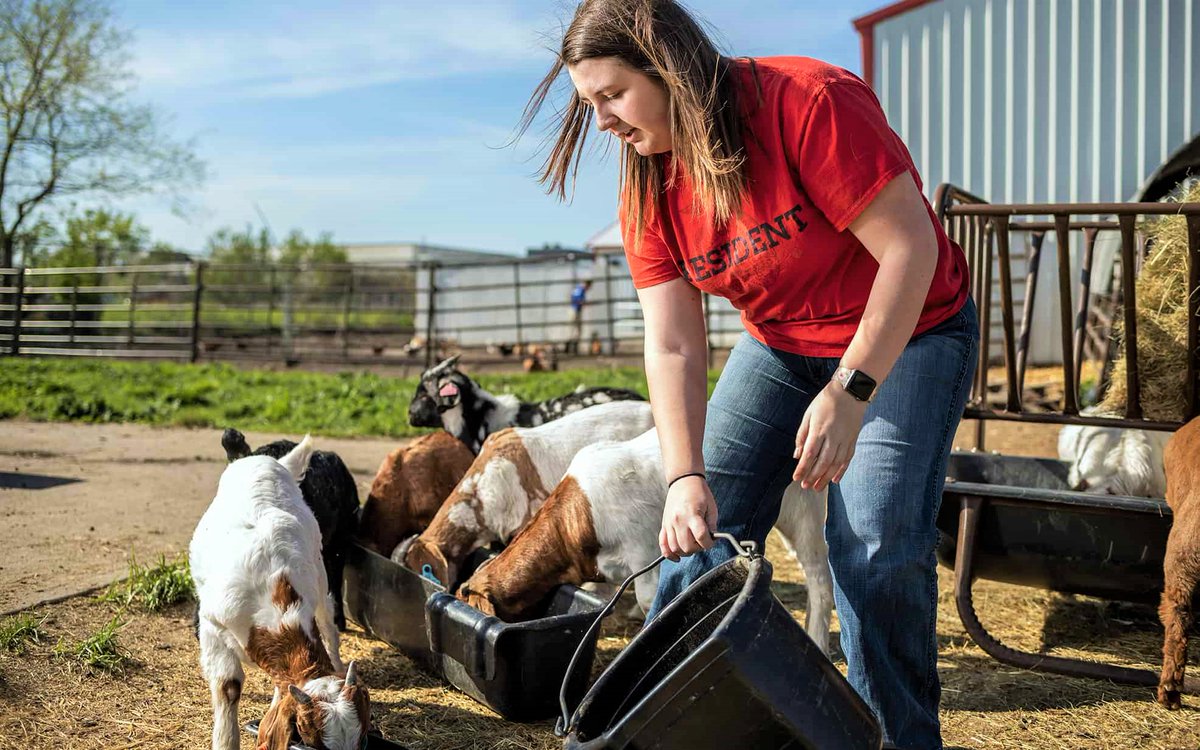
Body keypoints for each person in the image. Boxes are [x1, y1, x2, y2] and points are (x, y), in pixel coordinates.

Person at [519, 2, 978, 748]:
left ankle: (892, 738)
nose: (601, 121)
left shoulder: (808, 104)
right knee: (697, 532)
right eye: (587, 104)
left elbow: (909, 250)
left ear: (667, 66)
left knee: (873, 546)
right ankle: (666, 729)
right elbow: (671, 345)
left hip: (911, 331)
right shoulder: (646, 187)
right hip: (781, 344)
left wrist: (851, 389)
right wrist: (682, 477)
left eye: (611, 96)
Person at [567, 279, 592, 354]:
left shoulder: (579, 289)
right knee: (576, 330)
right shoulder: (580, 290)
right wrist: (585, 303)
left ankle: (571, 348)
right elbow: (577, 300)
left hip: (575, 310)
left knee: (575, 329)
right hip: (575, 310)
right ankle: (571, 348)